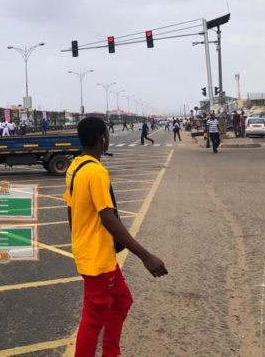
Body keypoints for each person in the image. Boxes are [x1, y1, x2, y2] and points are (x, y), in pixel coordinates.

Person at [64, 117, 167, 356]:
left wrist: (79, 240)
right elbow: (108, 218)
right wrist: (145, 256)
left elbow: (70, 208)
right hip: (97, 258)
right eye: (107, 135)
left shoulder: (75, 166)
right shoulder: (95, 172)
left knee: (122, 301)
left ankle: (111, 352)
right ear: (103, 138)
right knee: (92, 320)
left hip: (96, 252)